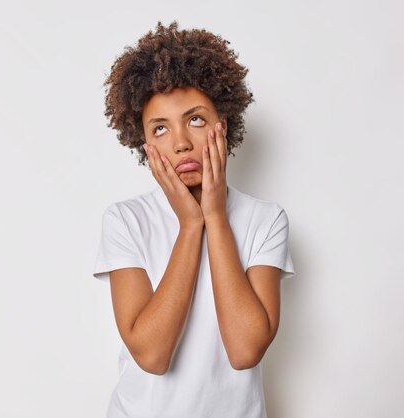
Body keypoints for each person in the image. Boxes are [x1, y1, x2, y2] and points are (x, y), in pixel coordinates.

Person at [93, 20, 296, 418]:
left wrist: (215, 218)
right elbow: (151, 355)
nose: (182, 142)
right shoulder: (126, 220)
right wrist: (190, 226)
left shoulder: (265, 220)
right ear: (145, 143)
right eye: (161, 128)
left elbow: (245, 351)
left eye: (196, 119)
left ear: (224, 122)